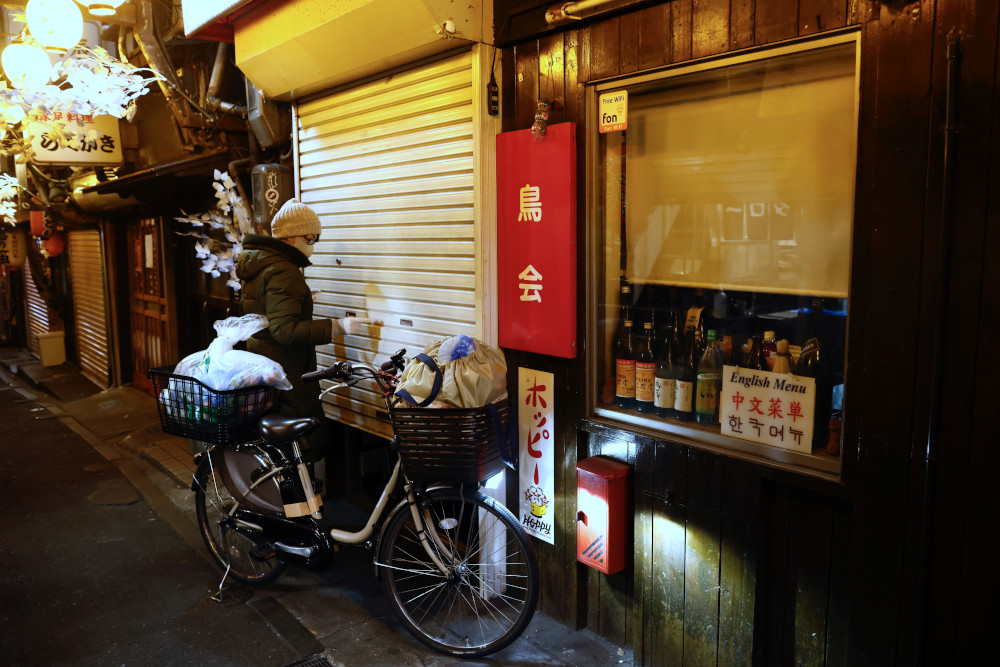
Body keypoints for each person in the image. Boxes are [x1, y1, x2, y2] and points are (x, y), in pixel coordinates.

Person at [235, 197, 371, 463]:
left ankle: (288, 501)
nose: (314, 246)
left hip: (268, 367)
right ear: (290, 238)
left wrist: (302, 299)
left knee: (286, 450)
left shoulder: (262, 264)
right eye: (311, 238)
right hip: (288, 373)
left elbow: (265, 311)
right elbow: (285, 332)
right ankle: (298, 504)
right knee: (307, 446)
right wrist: (338, 326)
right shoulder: (284, 271)